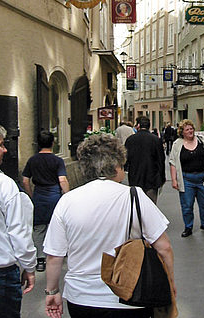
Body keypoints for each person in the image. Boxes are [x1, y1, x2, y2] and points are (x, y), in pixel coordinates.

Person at [44, 133, 176, 318]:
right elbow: (164, 248)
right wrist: (169, 286)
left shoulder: (67, 201)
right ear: (116, 165)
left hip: (81, 298)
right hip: (130, 295)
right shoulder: (135, 196)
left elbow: (54, 256)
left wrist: (52, 291)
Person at [0, 122, 36, 317]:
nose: (5, 149)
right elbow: (18, 231)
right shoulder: (3, 184)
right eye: (0, 144)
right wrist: (29, 266)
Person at [22, 130, 69, 272]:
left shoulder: (32, 160)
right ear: (53, 143)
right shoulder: (57, 160)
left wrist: (31, 194)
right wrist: (66, 196)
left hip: (39, 195)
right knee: (56, 226)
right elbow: (62, 180)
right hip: (54, 195)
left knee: (38, 228)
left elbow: (25, 180)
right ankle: (56, 254)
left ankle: (40, 259)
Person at [169, 119, 204, 237]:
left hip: (203, 178)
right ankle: (188, 227)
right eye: (187, 129)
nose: (190, 131)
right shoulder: (177, 144)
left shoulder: (202, 141)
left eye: (191, 129)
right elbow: (173, 163)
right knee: (187, 205)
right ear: (182, 132)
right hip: (186, 180)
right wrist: (174, 180)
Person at [125, 116, 166, 204]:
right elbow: (161, 160)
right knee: (150, 206)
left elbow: (126, 159)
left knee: (136, 205)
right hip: (152, 179)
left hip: (135, 178)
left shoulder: (130, 140)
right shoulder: (156, 140)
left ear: (138, 126)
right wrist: (162, 178)